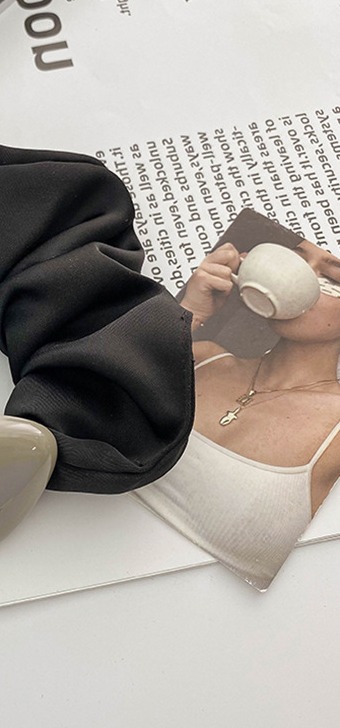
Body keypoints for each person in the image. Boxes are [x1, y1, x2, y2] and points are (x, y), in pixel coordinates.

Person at [135, 237, 340, 590]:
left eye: (331, 279)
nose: (299, 276)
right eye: (294, 258)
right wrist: (188, 314)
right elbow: (89, 404)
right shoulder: (200, 355)